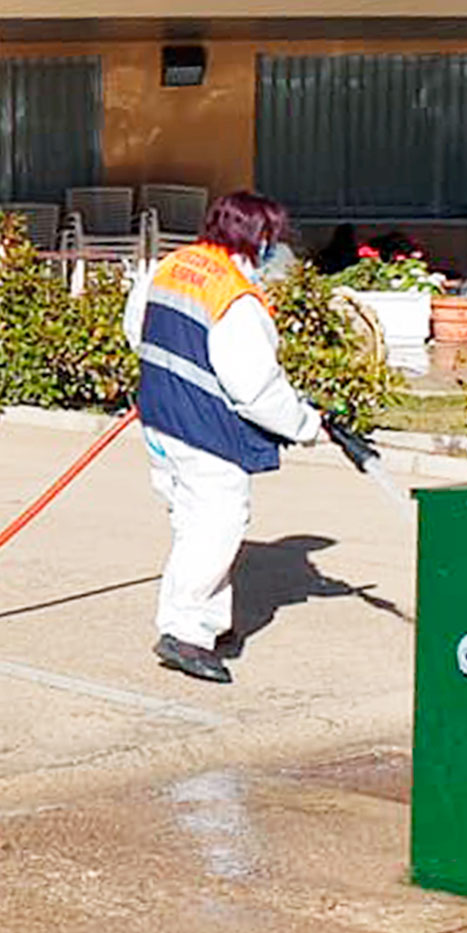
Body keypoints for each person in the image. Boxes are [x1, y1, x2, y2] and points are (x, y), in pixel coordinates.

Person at [123, 191, 322, 684]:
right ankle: (184, 632)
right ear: (258, 238)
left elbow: (136, 330)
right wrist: (304, 424)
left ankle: (210, 624)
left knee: (194, 522)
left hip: (160, 417)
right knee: (217, 524)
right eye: (273, 241)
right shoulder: (234, 296)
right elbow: (254, 388)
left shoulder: (172, 266)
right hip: (204, 428)